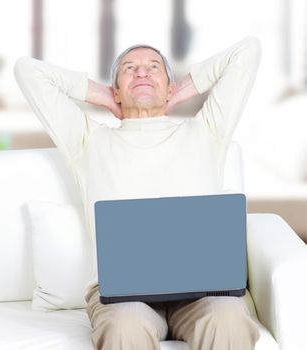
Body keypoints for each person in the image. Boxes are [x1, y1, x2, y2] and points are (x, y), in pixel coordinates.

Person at [14, 35, 262, 350]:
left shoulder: (207, 131)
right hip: (124, 299)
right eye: (129, 69)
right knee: (124, 326)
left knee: (228, 318)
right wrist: (103, 95)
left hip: (204, 295)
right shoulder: (89, 142)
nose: (142, 72)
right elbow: (27, 71)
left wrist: (178, 91)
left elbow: (248, 51)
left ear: (170, 87)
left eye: (153, 68)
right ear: (116, 88)